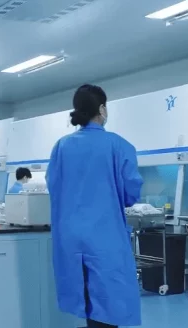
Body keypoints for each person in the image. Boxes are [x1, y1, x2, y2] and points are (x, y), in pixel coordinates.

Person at [47, 84, 143, 328]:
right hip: (104, 237)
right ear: (102, 109)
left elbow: (54, 187)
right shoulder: (119, 146)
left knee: (87, 300)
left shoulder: (62, 147)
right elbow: (131, 193)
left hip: (70, 237)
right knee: (109, 303)